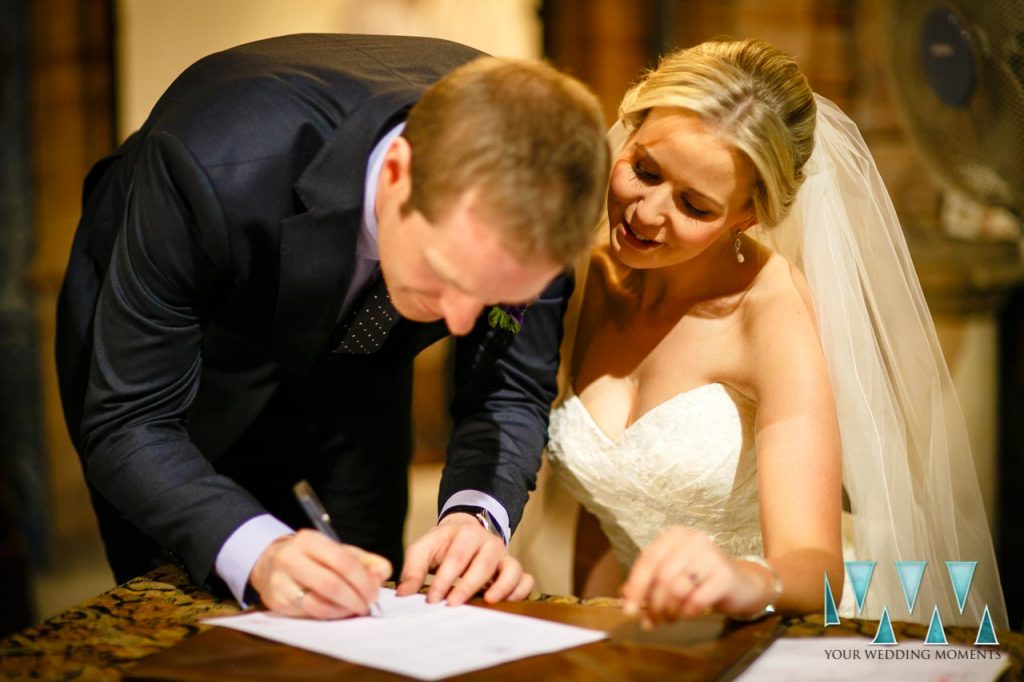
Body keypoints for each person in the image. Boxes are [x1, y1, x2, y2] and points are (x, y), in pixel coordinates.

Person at [55, 33, 609, 619]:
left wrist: (476, 515)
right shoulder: (209, 161)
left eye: (496, 296)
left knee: (366, 587)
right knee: (187, 594)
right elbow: (131, 421)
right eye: (444, 276)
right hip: (196, 357)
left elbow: (508, 385)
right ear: (398, 172)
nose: (459, 320)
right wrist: (257, 548)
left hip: (366, 354)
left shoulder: (550, 198)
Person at [544, 38, 1009, 629]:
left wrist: (740, 578)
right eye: (644, 170)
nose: (645, 213)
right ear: (627, 131)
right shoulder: (593, 275)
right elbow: (603, 507)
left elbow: (815, 566)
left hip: (774, 626)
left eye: (694, 205)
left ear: (748, 215)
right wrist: (598, 629)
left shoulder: (772, 316)